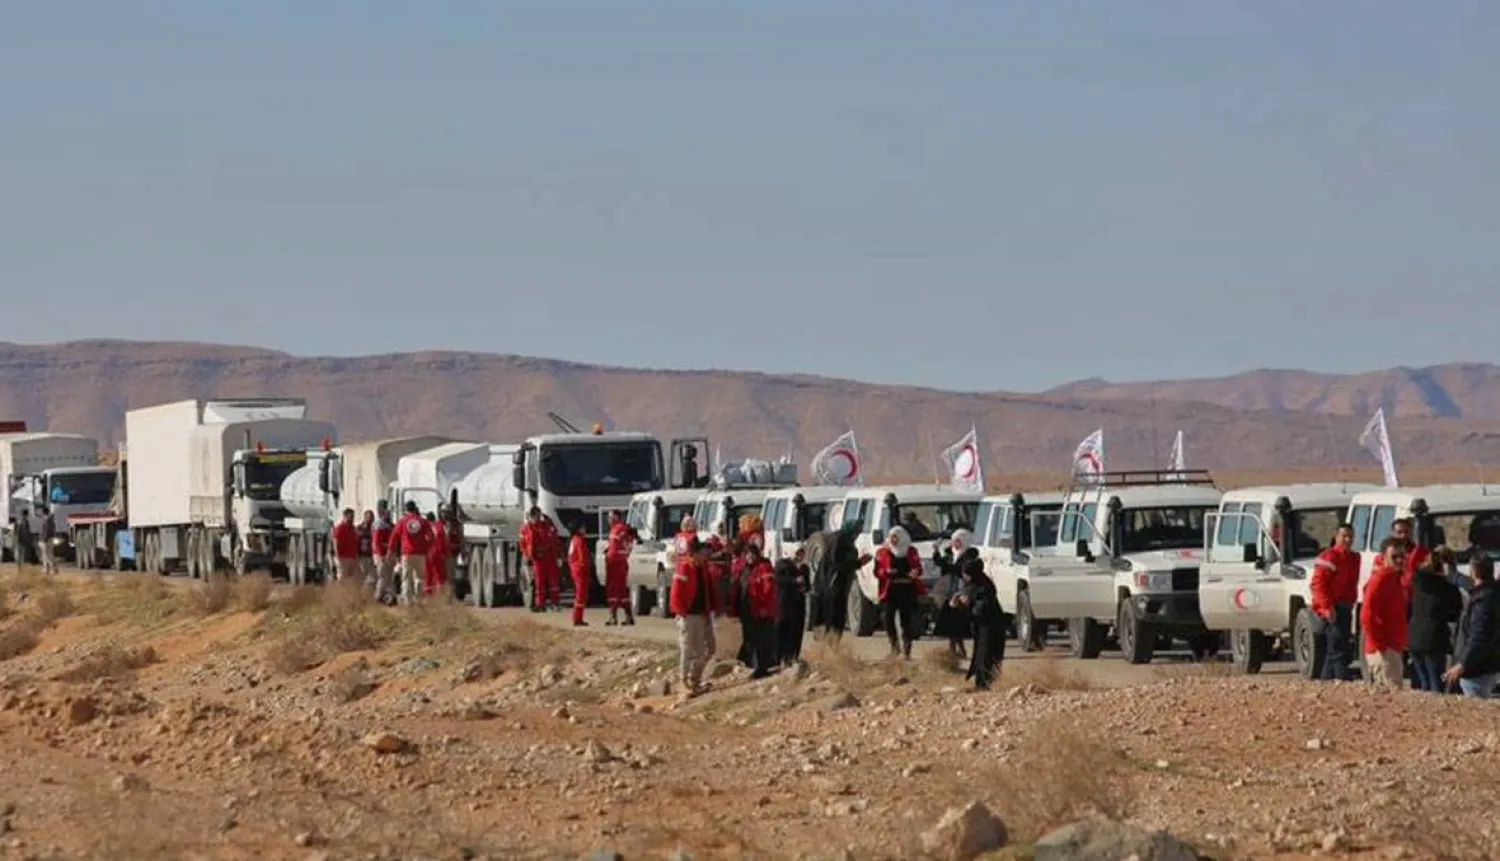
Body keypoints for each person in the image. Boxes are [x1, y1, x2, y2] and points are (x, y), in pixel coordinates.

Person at [669, 536, 720, 698]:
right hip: (689, 615)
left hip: (703, 614)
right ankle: (684, 682)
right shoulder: (684, 567)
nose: (707, 556)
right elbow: (676, 593)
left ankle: (695, 679)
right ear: (695, 553)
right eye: (704, 553)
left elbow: (708, 589)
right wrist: (681, 613)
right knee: (689, 648)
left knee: (709, 648)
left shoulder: (703, 568)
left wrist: (714, 607)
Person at [1408, 545, 1463, 692]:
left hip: (1414, 637)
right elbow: (1455, 613)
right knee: (1436, 685)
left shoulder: (1417, 582)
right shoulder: (1447, 588)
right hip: (1435, 640)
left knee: (1422, 685)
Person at [1443, 555, 1500, 698]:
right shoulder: (1490, 592)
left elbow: (1478, 636)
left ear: (1473, 572)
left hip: (1477, 669)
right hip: (1485, 664)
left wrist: (1462, 664)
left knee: (1476, 704)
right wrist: (1453, 575)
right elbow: (1468, 583)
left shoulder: (1483, 601)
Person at [1310, 523, 1361, 681]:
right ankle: (1342, 679)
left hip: (1346, 607)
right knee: (1337, 648)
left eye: (1350, 536)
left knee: (1337, 648)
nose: (1348, 539)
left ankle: (1327, 681)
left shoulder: (1353, 558)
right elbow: (1318, 585)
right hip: (1334, 608)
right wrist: (1327, 608)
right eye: (1344, 536)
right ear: (1336, 537)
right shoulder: (1329, 557)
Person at [806, 522, 872, 639]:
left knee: (837, 617)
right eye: (855, 532)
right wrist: (858, 563)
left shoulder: (845, 541)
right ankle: (827, 644)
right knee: (831, 617)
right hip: (831, 584)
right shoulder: (838, 541)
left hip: (838, 585)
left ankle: (833, 644)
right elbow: (836, 564)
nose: (856, 535)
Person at [1360, 538, 1409, 688]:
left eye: (1402, 556)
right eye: (1394, 557)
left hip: (1392, 647)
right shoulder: (1380, 580)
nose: (1399, 560)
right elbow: (1366, 616)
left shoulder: (1395, 579)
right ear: (1383, 558)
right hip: (1383, 650)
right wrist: (1379, 646)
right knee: (1390, 694)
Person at [954, 557, 1006, 690]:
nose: (964, 577)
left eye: (966, 574)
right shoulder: (974, 585)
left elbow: (983, 608)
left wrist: (969, 603)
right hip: (982, 628)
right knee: (981, 656)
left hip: (991, 628)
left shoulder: (984, 587)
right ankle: (981, 684)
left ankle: (983, 685)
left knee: (986, 657)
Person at [874, 526, 925, 659]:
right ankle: (894, 647)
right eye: (892, 537)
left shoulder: (911, 551)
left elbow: (919, 568)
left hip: (907, 589)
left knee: (906, 621)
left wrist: (915, 572)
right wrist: (886, 572)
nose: (893, 540)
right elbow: (877, 571)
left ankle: (907, 650)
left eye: (896, 537)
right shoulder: (882, 552)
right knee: (887, 619)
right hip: (890, 590)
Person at [933, 529, 979, 660]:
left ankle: (961, 649)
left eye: (958, 541)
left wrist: (950, 566)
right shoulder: (951, 555)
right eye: (954, 541)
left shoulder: (970, 557)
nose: (955, 544)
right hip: (950, 591)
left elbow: (959, 570)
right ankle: (953, 649)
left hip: (962, 592)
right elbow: (942, 564)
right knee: (949, 622)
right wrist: (936, 551)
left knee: (958, 622)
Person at [743, 542, 780, 679]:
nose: (749, 557)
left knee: (762, 640)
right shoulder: (748, 569)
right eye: (747, 554)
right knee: (753, 639)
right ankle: (756, 665)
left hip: (762, 611)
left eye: (752, 554)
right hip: (751, 611)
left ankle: (761, 668)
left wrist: (764, 607)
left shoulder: (764, 567)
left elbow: (768, 589)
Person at [519, 508, 562, 613]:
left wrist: (558, 555)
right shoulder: (526, 529)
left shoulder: (546, 526)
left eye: (539, 516)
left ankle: (554, 603)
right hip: (537, 559)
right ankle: (540, 604)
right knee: (539, 583)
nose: (537, 518)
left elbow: (554, 537)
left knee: (553, 582)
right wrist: (526, 556)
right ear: (531, 516)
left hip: (549, 557)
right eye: (535, 516)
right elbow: (522, 544)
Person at [391, 501, 433, 605]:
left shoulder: (402, 521)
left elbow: (394, 537)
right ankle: (418, 599)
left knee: (406, 578)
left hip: (406, 553)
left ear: (406, 509)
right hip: (420, 553)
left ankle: (407, 602)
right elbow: (431, 536)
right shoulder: (423, 521)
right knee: (419, 578)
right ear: (415, 508)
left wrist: (390, 550)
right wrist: (426, 547)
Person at [773, 547, 809, 665]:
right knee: (781, 632)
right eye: (798, 553)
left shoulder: (804, 568)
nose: (799, 556)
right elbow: (778, 579)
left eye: (802, 554)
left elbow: (807, 585)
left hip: (798, 605)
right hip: (784, 604)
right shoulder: (782, 565)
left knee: (796, 633)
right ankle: (778, 659)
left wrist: (804, 587)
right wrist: (794, 581)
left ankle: (792, 657)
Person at [604, 510, 636, 626]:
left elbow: (618, 547)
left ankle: (613, 616)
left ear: (616, 517)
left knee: (613, 589)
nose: (608, 520)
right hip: (620, 562)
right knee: (622, 590)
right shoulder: (622, 529)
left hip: (615, 563)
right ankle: (629, 616)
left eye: (610, 517)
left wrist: (610, 554)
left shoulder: (618, 529)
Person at [567, 524, 591, 627]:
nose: (584, 529)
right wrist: (585, 566)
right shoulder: (579, 541)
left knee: (581, 595)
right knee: (581, 595)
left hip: (576, 569)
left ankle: (578, 618)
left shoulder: (574, 540)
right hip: (580, 570)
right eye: (582, 527)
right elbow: (582, 557)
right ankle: (577, 618)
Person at [371, 501, 395, 603]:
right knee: (383, 576)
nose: (389, 513)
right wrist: (381, 555)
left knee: (389, 577)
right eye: (387, 510)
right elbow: (377, 542)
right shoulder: (380, 524)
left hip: (388, 554)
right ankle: (378, 596)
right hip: (382, 554)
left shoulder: (389, 524)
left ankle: (389, 597)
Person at [423, 511, 449, 598]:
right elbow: (443, 541)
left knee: (428, 574)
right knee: (439, 575)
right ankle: (439, 595)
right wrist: (446, 553)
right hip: (437, 553)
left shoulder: (424, 527)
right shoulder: (439, 527)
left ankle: (428, 595)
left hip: (427, 553)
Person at [330, 508, 360, 583]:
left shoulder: (353, 528)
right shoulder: (340, 528)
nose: (352, 519)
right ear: (345, 516)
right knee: (342, 577)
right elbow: (335, 541)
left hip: (353, 557)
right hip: (343, 557)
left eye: (353, 516)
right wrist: (337, 555)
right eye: (350, 516)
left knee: (354, 579)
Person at [440, 506, 464, 595]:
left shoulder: (455, 525)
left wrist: (462, 549)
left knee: (450, 575)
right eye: (443, 512)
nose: (444, 514)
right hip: (442, 553)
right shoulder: (441, 524)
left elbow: (460, 537)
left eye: (445, 512)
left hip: (451, 553)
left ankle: (449, 595)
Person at [356, 510, 377, 587]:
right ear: (365, 517)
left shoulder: (375, 528)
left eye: (372, 518)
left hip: (373, 556)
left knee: (373, 577)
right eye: (368, 517)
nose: (370, 519)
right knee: (363, 576)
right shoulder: (359, 528)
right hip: (363, 556)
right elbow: (357, 542)